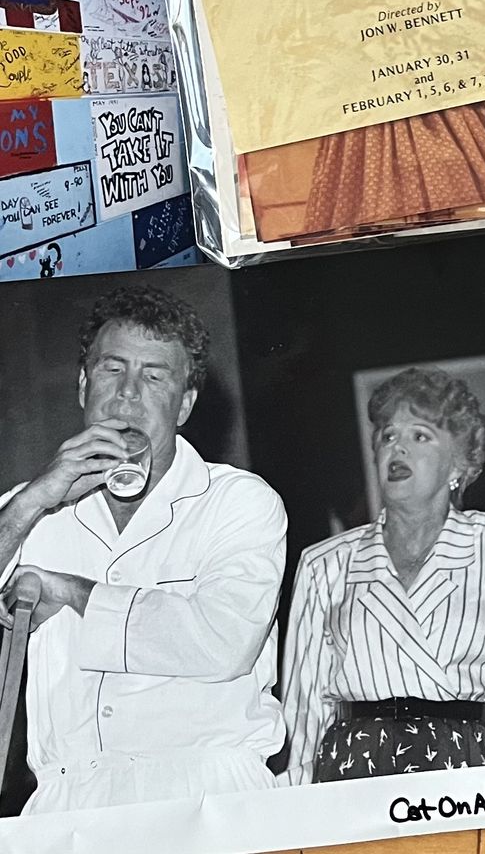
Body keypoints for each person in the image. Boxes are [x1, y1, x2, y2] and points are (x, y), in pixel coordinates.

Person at [0, 287, 287, 813]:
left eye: (154, 376)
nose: (128, 393)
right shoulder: (29, 509)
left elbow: (221, 642)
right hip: (70, 805)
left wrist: (70, 590)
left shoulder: (237, 502)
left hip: (209, 799)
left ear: (185, 404)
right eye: (112, 370)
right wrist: (35, 497)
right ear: (84, 385)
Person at [283, 367, 485, 784]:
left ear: (460, 464)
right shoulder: (325, 563)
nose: (396, 449)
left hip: (463, 759)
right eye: (387, 436)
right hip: (354, 767)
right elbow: (304, 702)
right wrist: (298, 796)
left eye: (420, 436)